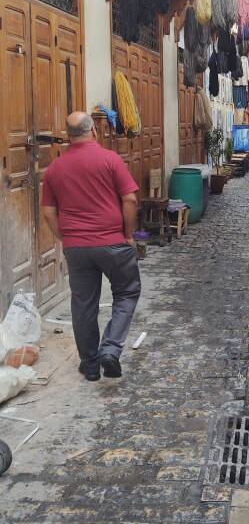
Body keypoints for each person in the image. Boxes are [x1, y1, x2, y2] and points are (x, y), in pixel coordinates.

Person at [42, 112, 141, 382]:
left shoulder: (55, 168)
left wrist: (65, 236)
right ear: (94, 131)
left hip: (77, 246)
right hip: (112, 241)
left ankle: (89, 365)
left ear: (68, 136)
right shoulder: (110, 160)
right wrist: (128, 235)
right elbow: (130, 199)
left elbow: (49, 212)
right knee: (128, 292)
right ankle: (110, 349)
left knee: (83, 304)